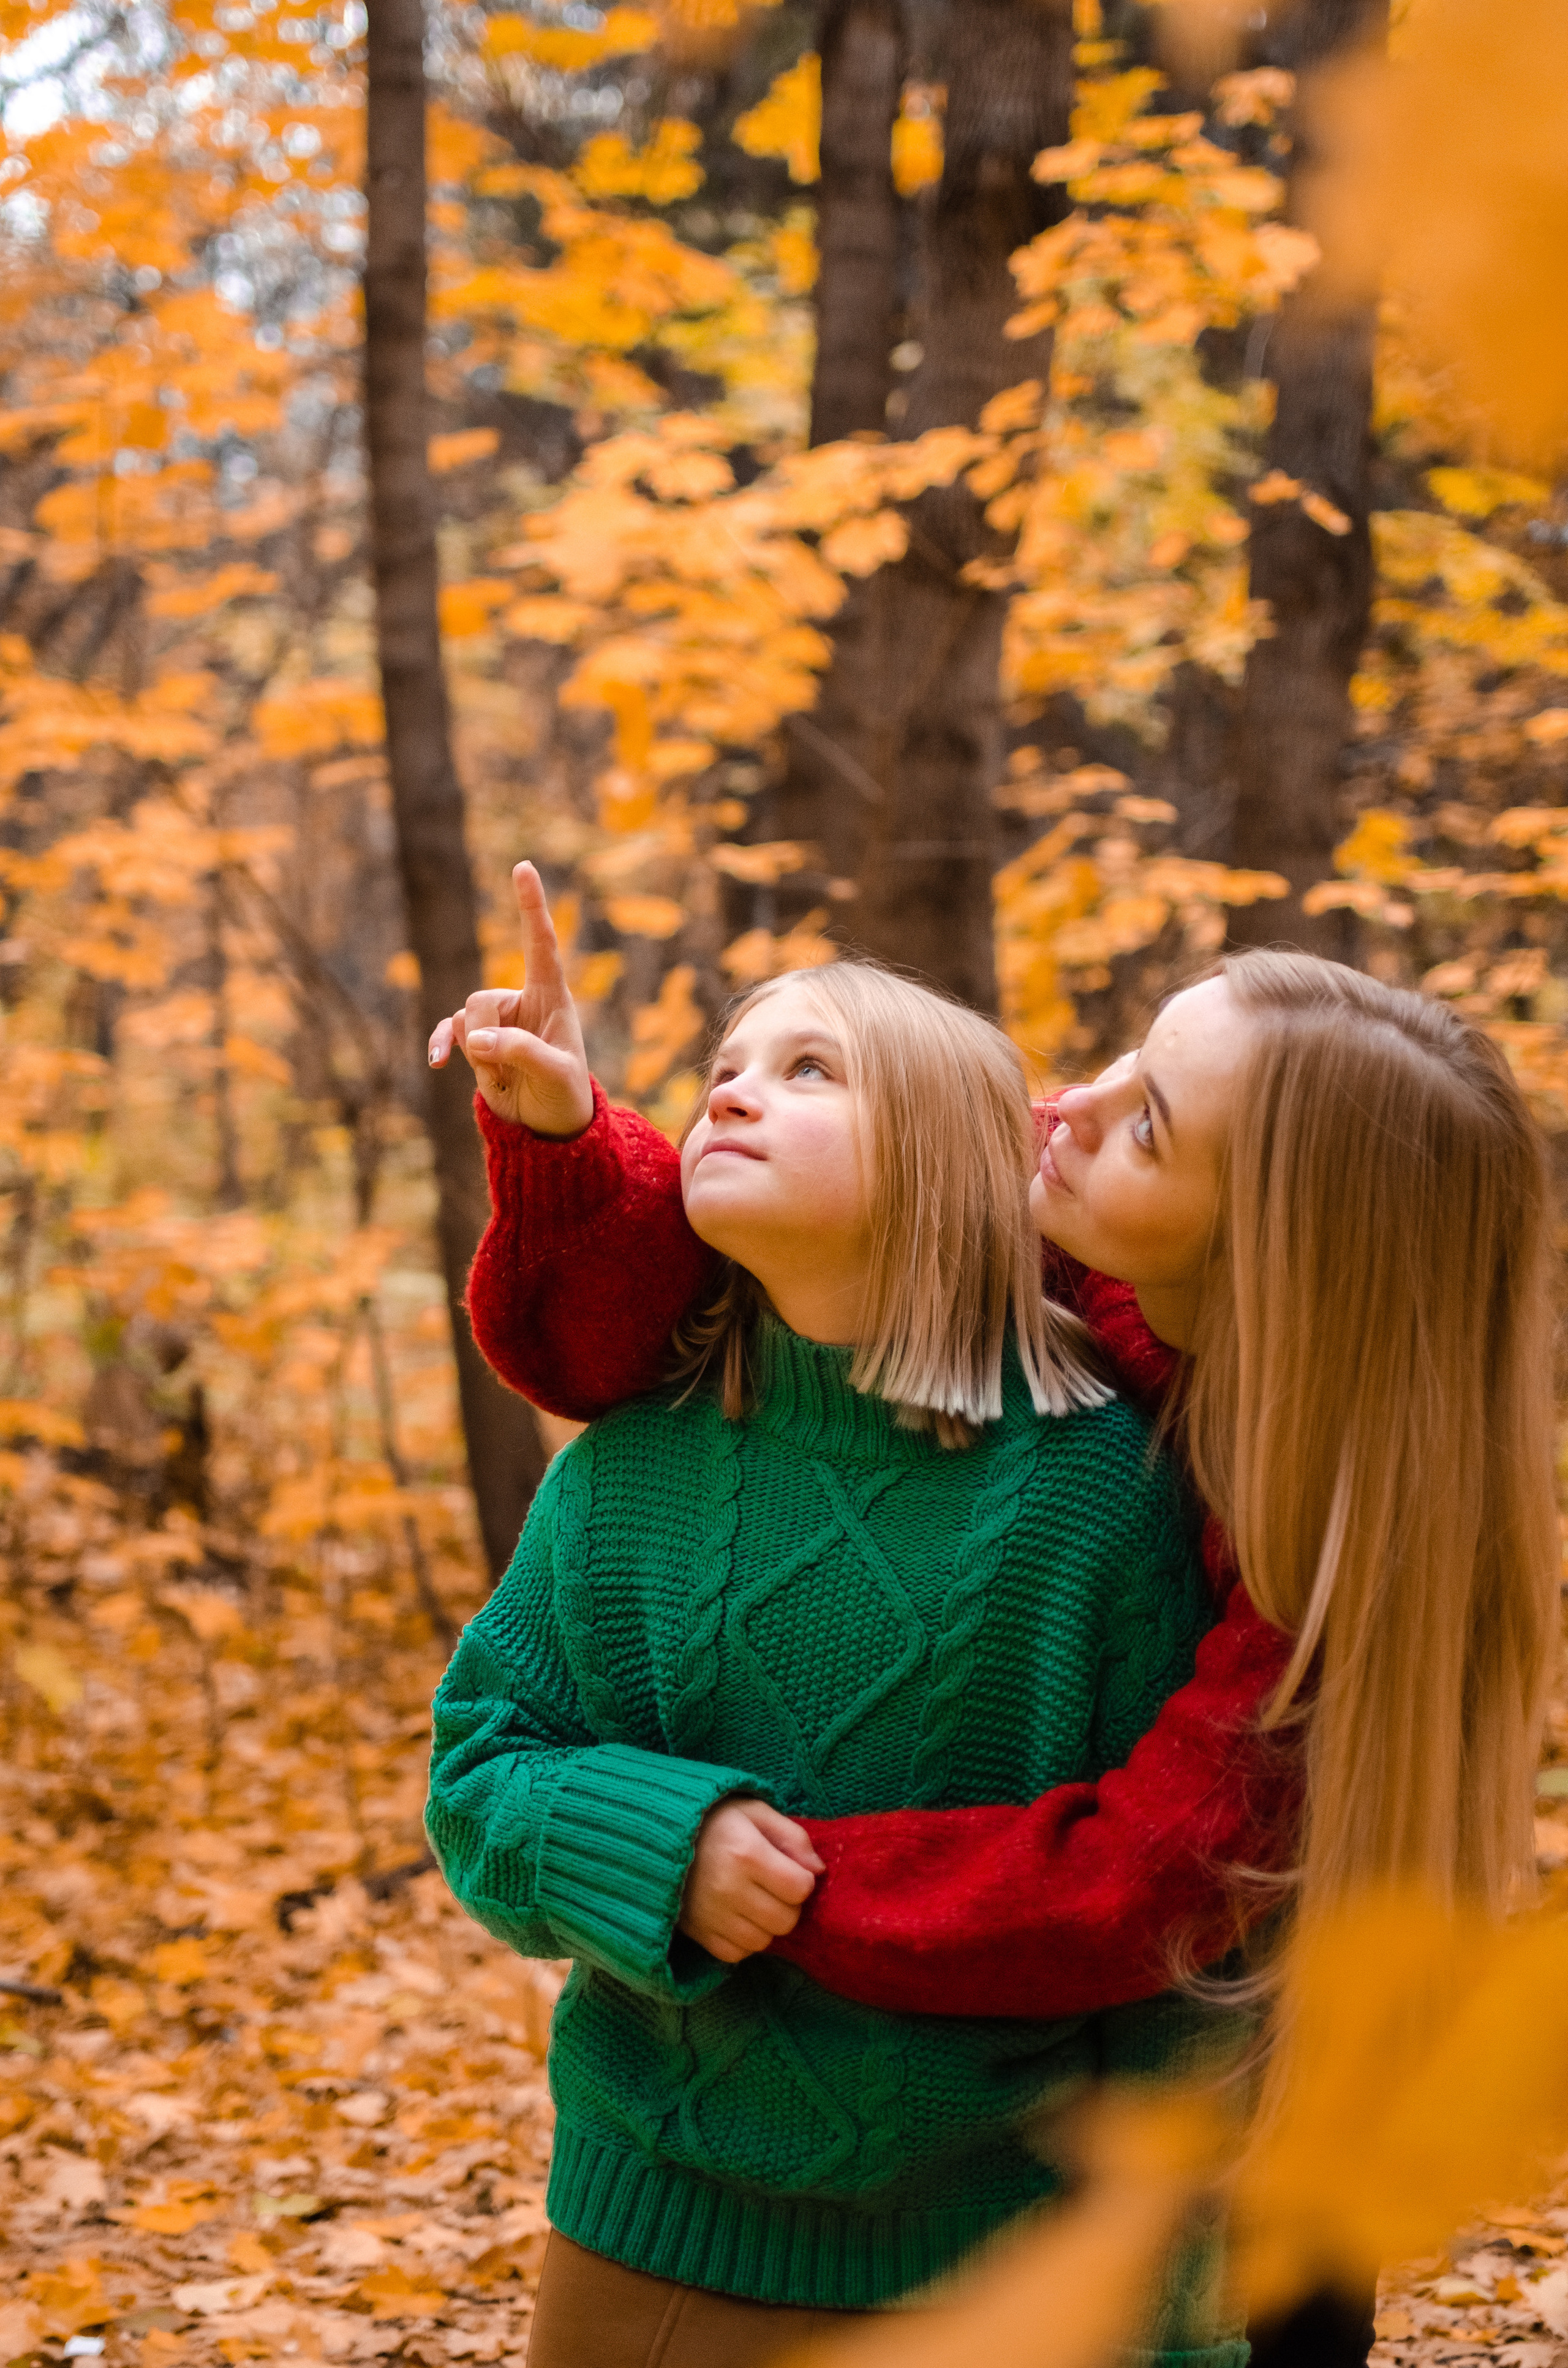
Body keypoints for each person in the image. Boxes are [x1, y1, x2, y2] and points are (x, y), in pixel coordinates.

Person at [429, 864, 1559, 2368]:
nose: (1060, 1106)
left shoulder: (1216, 1543)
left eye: (1145, 1118)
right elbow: (671, 1299)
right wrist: (568, 1143)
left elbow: (1146, 1904)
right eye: (1122, 1062)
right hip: (666, 2193)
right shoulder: (670, 1456)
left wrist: (786, 1884)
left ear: (1262, 1257)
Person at [426, 958, 1254, 2368]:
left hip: (1000, 2261)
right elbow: (479, 1770)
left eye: (811, 1068)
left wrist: (1173, 2307)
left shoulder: (1100, 1501)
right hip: (652, 2227)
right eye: (726, 1067)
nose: (735, 1085)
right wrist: (654, 1845)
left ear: (943, 1159)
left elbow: (1174, 1949)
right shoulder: (620, 1478)